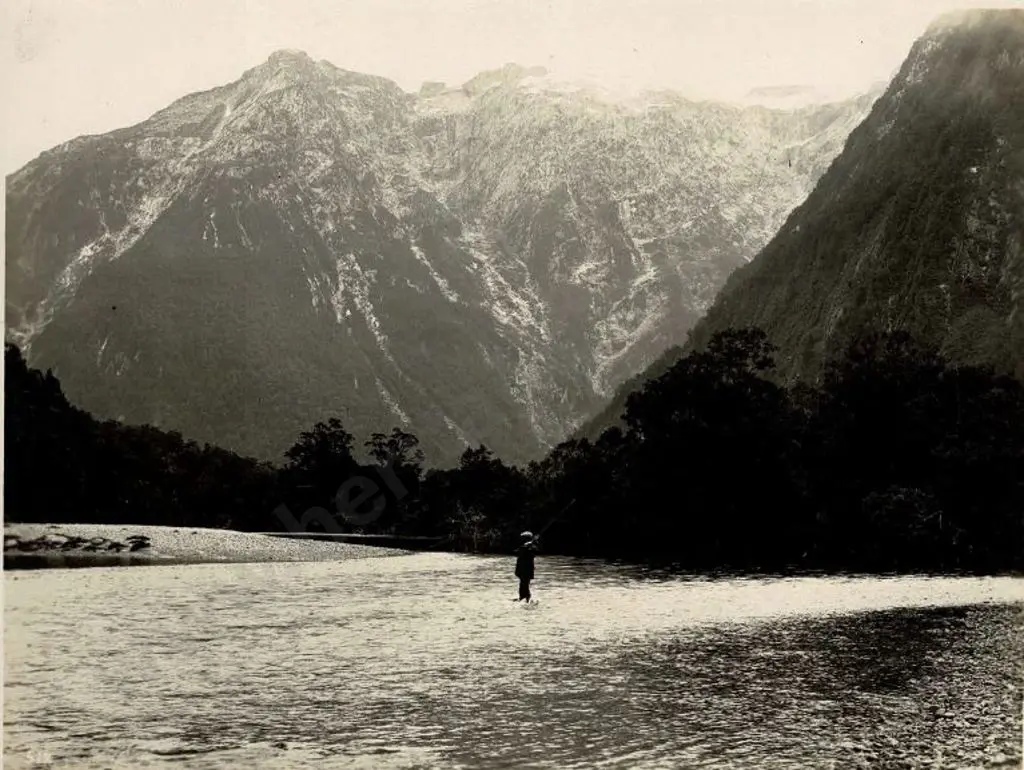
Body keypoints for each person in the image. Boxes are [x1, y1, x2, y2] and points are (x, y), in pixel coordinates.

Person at [514, 530, 539, 602]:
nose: (521, 540)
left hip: (526, 569)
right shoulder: (524, 547)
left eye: (523, 538)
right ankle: (523, 598)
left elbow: (535, 551)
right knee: (523, 585)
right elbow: (518, 552)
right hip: (522, 569)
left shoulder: (532, 547)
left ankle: (525, 598)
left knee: (524, 585)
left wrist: (532, 543)